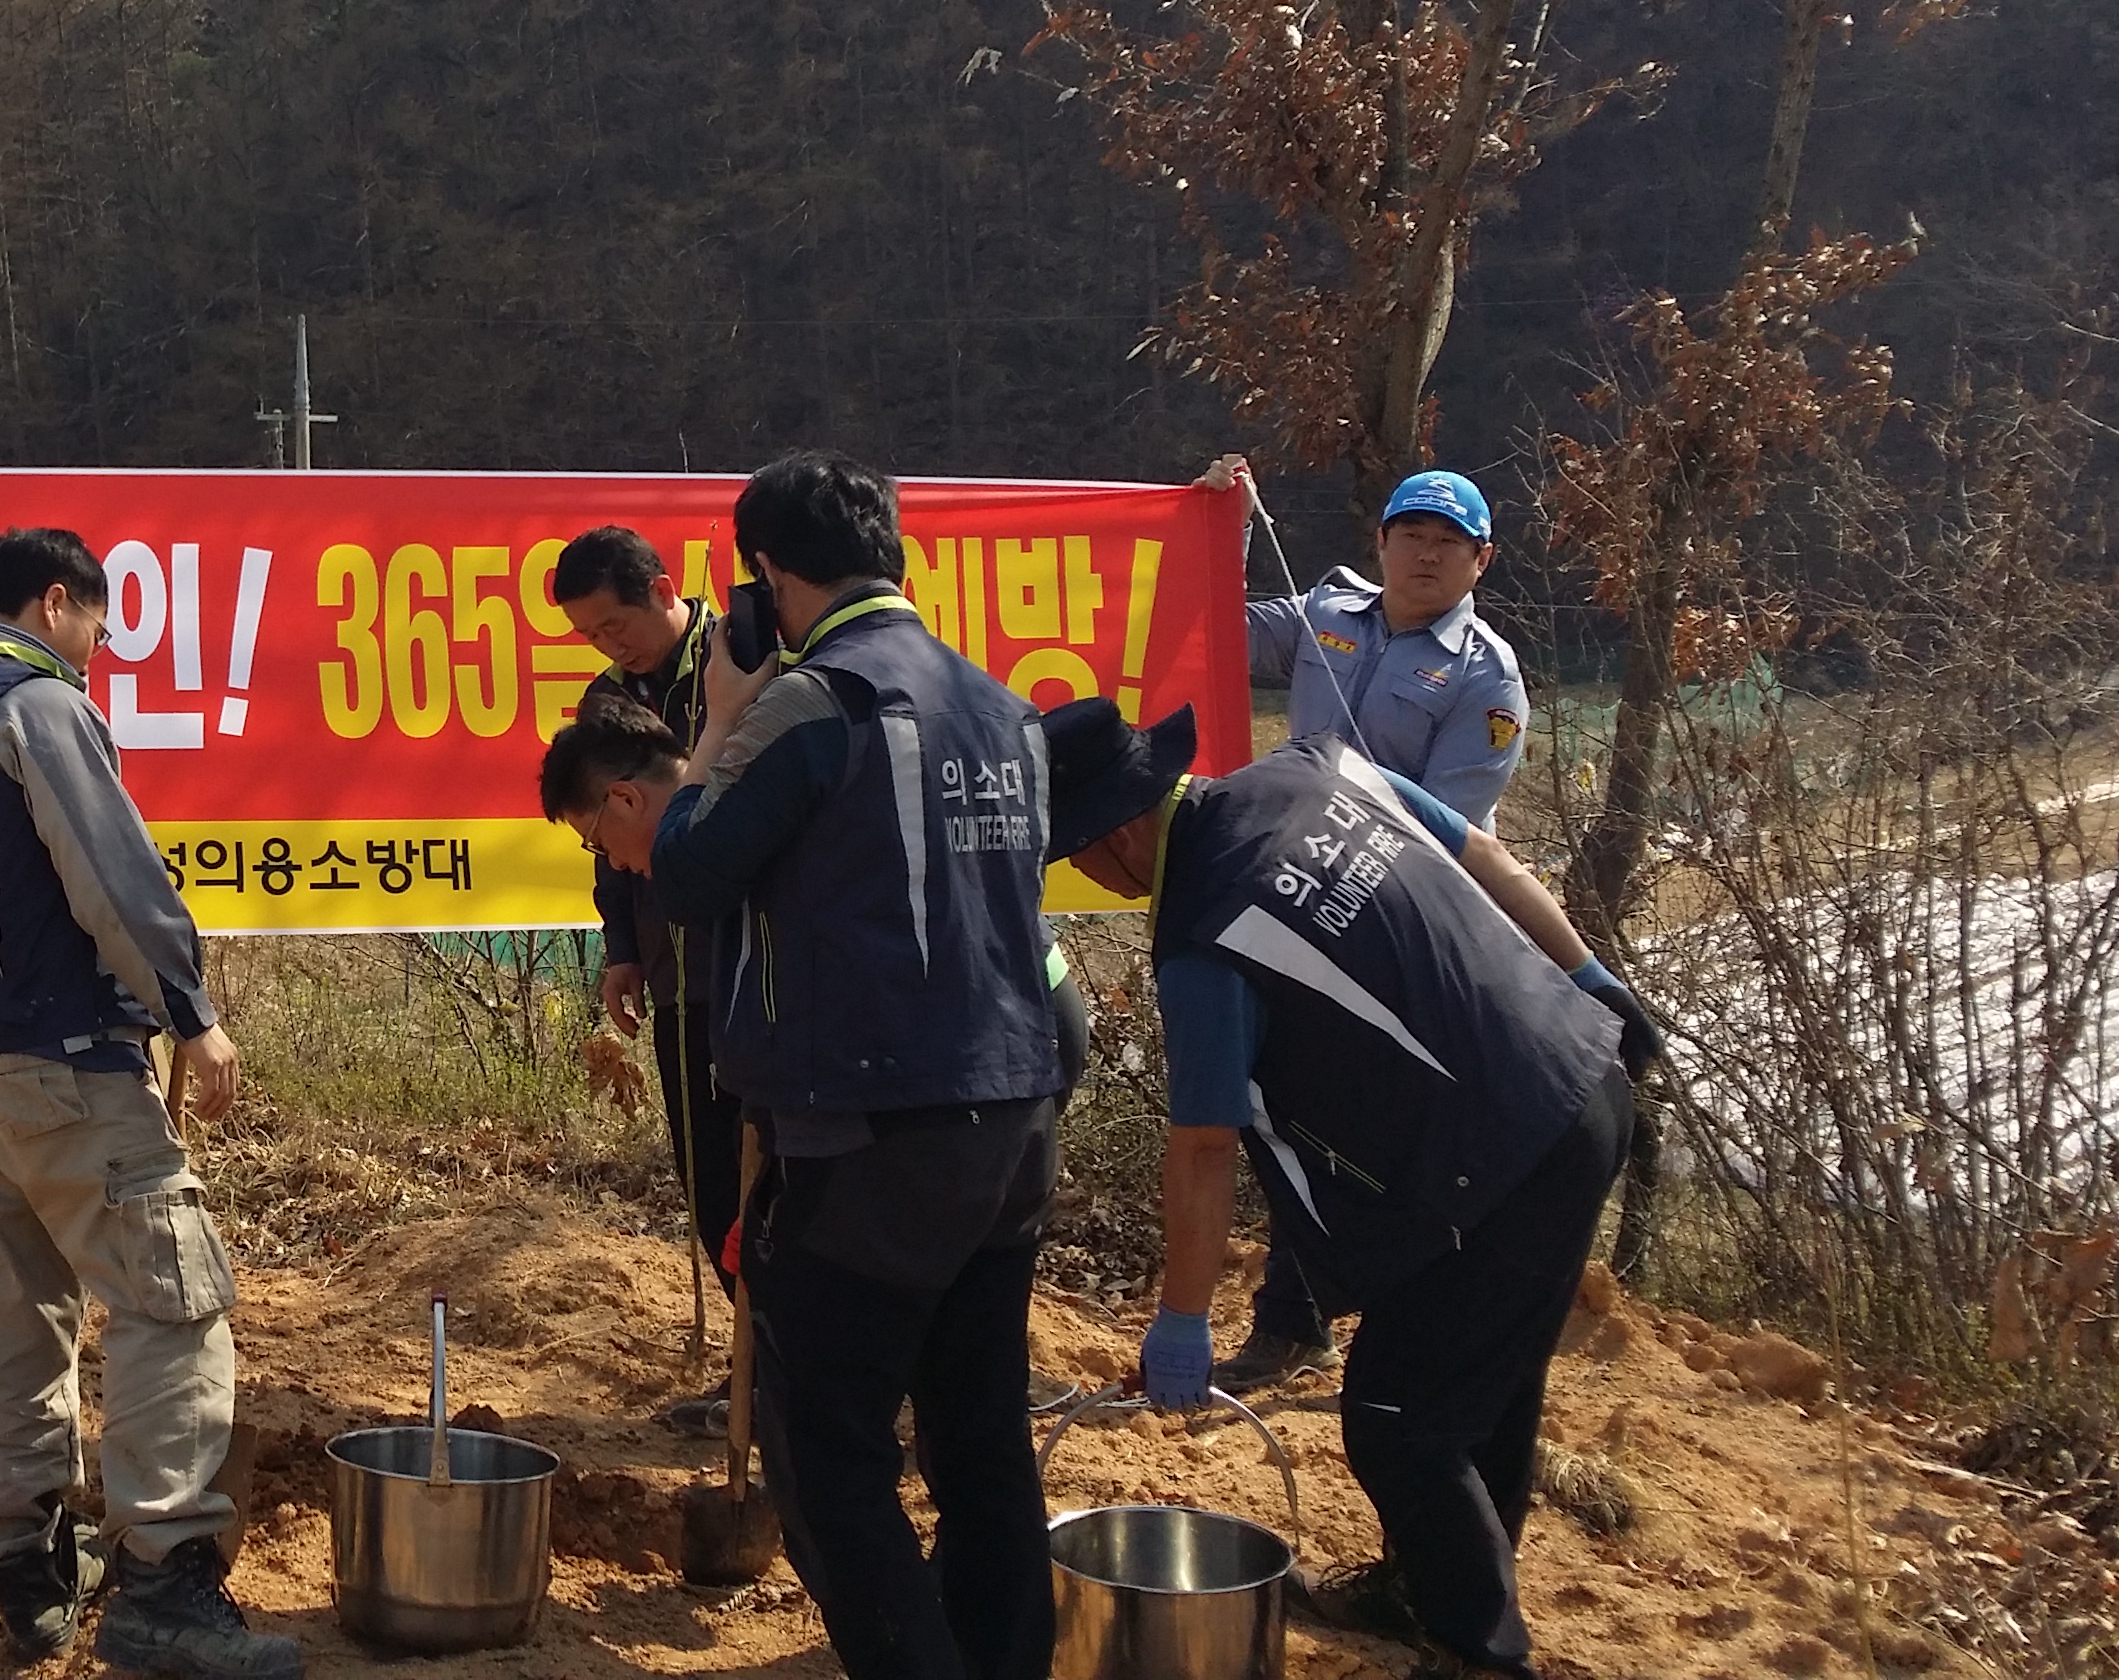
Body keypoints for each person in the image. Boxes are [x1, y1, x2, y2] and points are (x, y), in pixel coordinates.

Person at [1043, 700, 1663, 1680]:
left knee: (1396, 1421)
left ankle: (1481, 1653)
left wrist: (1183, 1319)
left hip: (1503, 1160)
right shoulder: (1322, 767)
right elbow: (1488, 858)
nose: (1082, 875)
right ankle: (1429, 1587)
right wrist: (1592, 978)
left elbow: (1203, 1146)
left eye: (1076, 854)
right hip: (1586, 1087)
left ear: (1117, 831)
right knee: (1486, 1389)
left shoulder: (1207, 936)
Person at [648, 453, 1065, 1680]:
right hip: (1014, 1113)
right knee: (981, 1439)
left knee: (829, 1450)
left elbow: (687, 871)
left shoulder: (812, 704)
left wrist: (718, 721)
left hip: (874, 1128)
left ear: (769, 576)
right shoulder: (1001, 704)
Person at [0, 529, 300, 1680]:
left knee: (21, 1320)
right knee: (174, 1300)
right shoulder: (39, 706)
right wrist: (189, 1010)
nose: (98, 652)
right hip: (69, 1063)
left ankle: (28, 1563)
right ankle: (165, 1575)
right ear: (53, 602)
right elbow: (113, 871)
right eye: (97, 630)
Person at [1211, 457, 1534, 1390]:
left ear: (1481, 561)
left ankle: (1400, 1323)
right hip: (1297, 902)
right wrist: (1224, 526)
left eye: (1449, 544)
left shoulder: (1486, 676)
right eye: (1412, 536)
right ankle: (1291, 1322)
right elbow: (1213, 628)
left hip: (1408, 922)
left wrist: (1327, 795)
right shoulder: (1327, 613)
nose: (1426, 556)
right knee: (1288, 1105)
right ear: (1381, 542)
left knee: (1388, 1122)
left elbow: (1446, 827)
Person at [544, 527, 740, 1415]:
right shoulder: (606, 702)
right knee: (710, 1178)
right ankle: (760, 1358)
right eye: (591, 635)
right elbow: (606, 842)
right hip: (674, 967)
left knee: (777, 1179)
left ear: (663, 589)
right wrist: (621, 947)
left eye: (615, 625)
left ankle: (796, 1368)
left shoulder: (740, 664)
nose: (608, 646)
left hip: (755, 959)